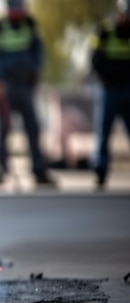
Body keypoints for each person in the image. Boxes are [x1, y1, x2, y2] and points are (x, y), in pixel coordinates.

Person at [0, 0, 56, 188]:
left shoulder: (30, 24)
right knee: (3, 129)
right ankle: (0, 168)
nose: (16, 12)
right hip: (6, 85)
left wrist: (35, 74)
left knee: (33, 127)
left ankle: (39, 169)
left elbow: (38, 52)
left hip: (25, 84)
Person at [89, 0, 130, 190]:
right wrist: (109, 77)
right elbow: (95, 59)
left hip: (128, 88)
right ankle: (100, 170)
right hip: (109, 88)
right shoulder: (104, 31)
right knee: (104, 132)